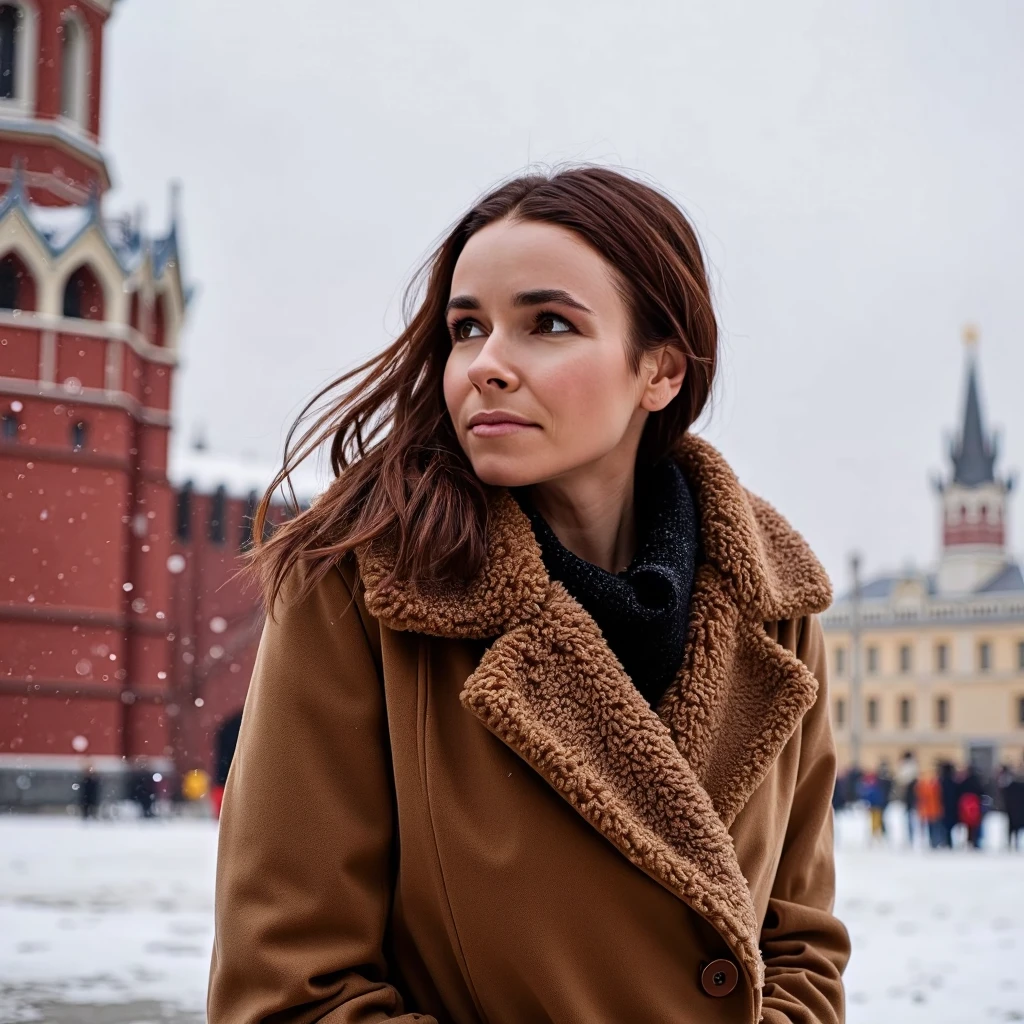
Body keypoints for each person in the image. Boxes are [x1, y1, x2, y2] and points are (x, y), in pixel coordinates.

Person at [208, 166, 851, 1023]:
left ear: (658, 371)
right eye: (466, 328)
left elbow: (802, 948)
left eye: (547, 324)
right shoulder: (364, 589)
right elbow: (289, 989)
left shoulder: (773, 603)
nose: (486, 366)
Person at [915, 767, 943, 849]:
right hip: (928, 809)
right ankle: (933, 842)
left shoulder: (934, 786)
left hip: (934, 809)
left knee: (935, 826)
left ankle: (936, 841)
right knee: (930, 827)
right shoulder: (922, 786)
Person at [896, 749, 919, 847]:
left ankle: (910, 838)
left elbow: (901, 780)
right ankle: (911, 837)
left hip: (909, 796)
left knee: (909, 818)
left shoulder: (907, 768)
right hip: (913, 796)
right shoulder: (914, 767)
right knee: (911, 818)